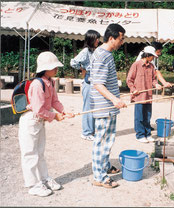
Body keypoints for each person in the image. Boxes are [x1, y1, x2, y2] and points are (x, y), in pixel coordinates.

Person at [18, 51, 74, 197]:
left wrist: (64, 111)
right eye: (54, 66)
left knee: (40, 152)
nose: (56, 69)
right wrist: (55, 116)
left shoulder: (51, 82)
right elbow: (38, 110)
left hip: (40, 122)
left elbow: (54, 101)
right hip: (30, 121)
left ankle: (43, 179)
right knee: (30, 153)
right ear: (45, 68)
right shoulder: (37, 84)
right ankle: (33, 184)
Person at [90, 24, 127, 188]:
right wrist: (114, 99)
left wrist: (117, 98)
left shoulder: (107, 53)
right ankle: (99, 176)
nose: (122, 42)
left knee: (108, 140)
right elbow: (97, 83)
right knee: (101, 141)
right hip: (104, 106)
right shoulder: (101, 55)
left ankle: (104, 167)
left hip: (109, 106)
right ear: (111, 38)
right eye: (121, 39)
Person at [127, 46, 162, 143]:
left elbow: (153, 79)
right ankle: (140, 135)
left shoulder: (151, 66)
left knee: (147, 116)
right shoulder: (136, 65)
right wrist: (133, 89)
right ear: (147, 55)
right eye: (152, 56)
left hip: (148, 95)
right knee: (139, 116)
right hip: (139, 96)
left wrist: (156, 85)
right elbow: (129, 80)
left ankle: (148, 134)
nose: (153, 58)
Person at [70, 30, 101, 141]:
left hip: (95, 82)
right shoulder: (85, 51)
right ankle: (86, 132)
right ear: (91, 40)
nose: (98, 40)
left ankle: (91, 131)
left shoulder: (96, 51)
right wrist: (82, 69)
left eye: (98, 38)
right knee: (88, 108)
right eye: (96, 39)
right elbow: (73, 62)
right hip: (88, 82)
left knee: (94, 108)